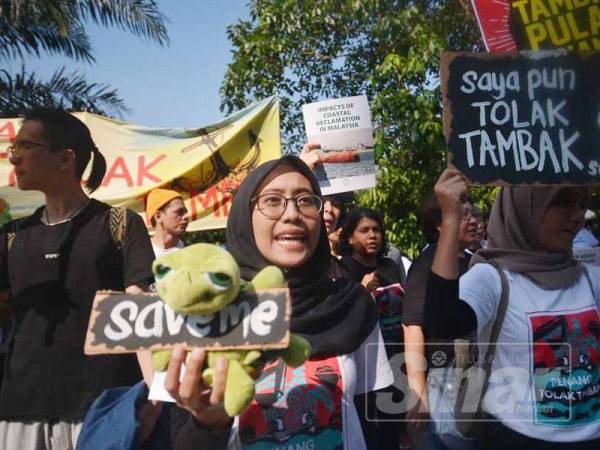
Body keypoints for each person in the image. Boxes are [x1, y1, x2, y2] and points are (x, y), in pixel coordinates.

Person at [164, 155, 393, 449]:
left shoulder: (353, 306)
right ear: (245, 218)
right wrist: (208, 423)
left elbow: (377, 421)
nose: (292, 214)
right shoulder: (202, 313)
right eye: (272, 201)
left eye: (306, 200)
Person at [0, 109, 155, 450]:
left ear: (65, 158)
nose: (14, 158)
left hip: (104, 407)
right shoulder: (11, 236)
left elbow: (141, 312)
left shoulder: (120, 224)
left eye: (24, 147)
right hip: (20, 410)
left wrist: (155, 396)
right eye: (12, 149)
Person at [424, 168, 600, 450]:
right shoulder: (493, 278)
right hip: (514, 439)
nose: (576, 215)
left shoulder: (590, 278)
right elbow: (443, 322)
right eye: (562, 201)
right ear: (526, 205)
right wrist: (450, 217)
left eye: (581, 203)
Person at [401, 195, 478, 450]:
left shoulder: (472, 260)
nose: (473, 221)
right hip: (446, 377)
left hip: (473, 375)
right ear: (440, 223)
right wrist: (418, 396)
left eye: (474, 214)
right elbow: (412, 327)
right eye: (464, 215)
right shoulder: (429, 263)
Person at [146, 188, 189, 257]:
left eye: (185, 212)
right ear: (158, 216)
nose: (186, 216)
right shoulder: (139, 255)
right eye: (179, 212)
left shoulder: (192, 254)